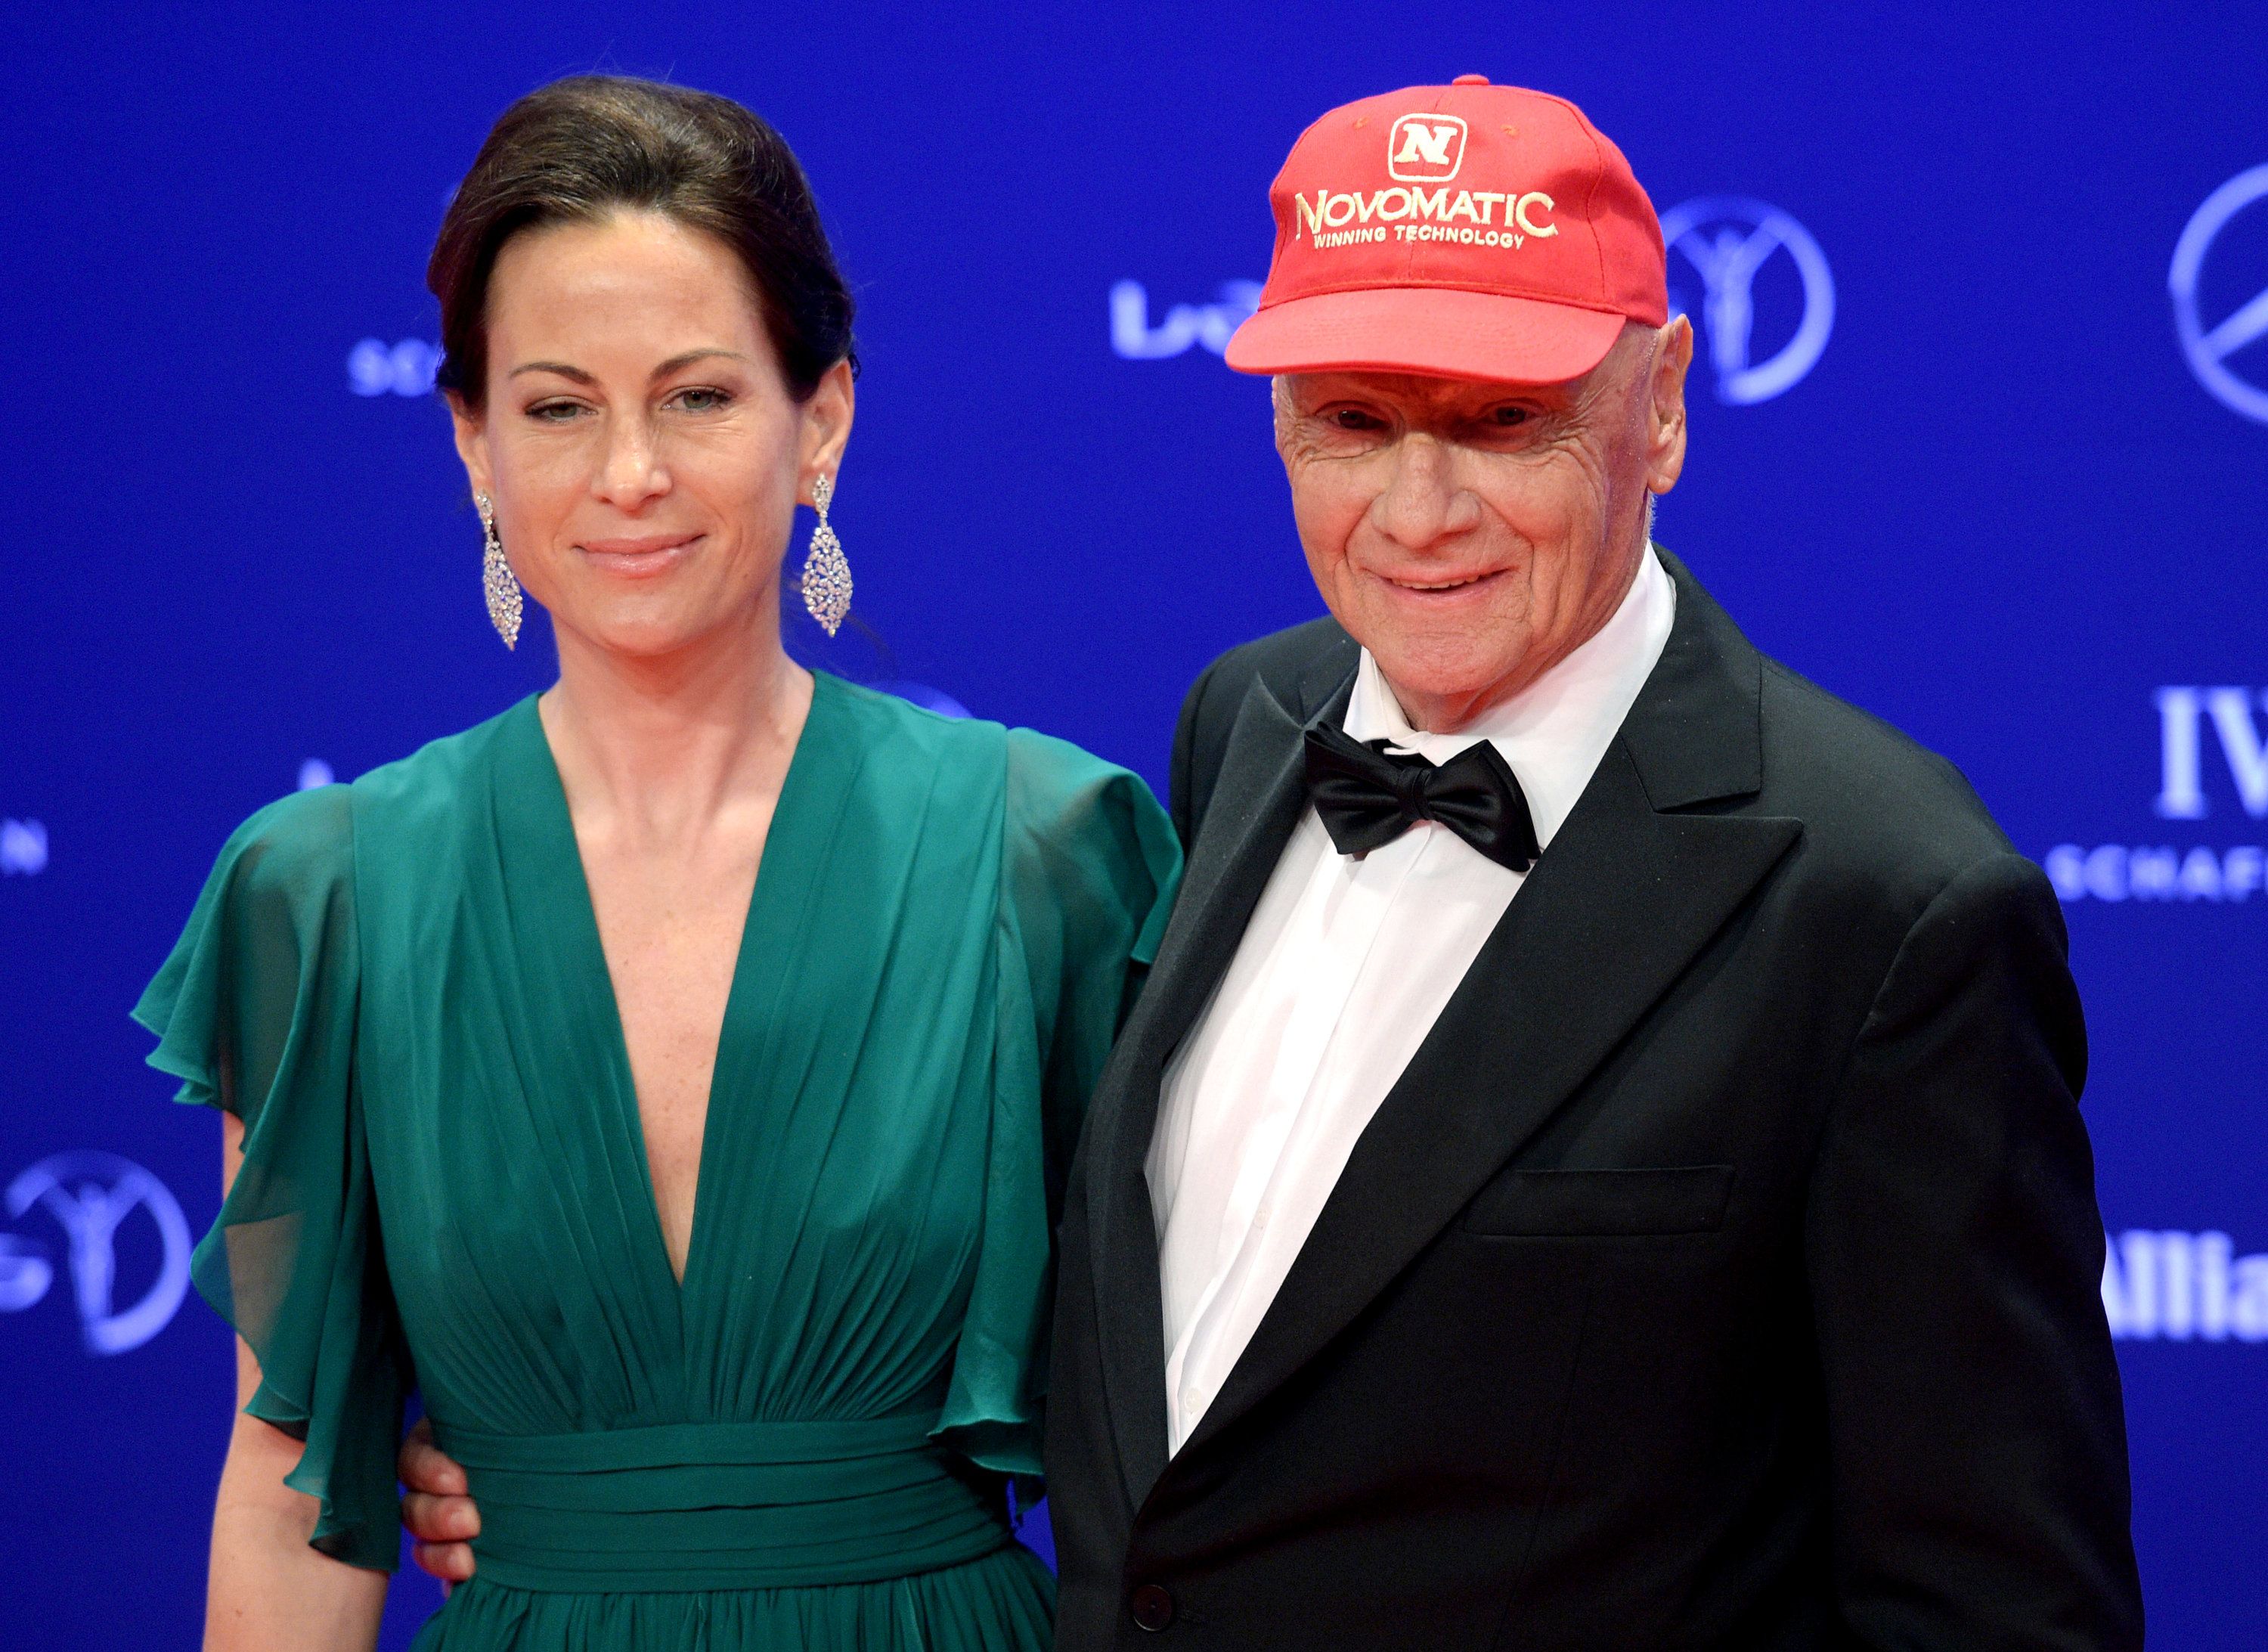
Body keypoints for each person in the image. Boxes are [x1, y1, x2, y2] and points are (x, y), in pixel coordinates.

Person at [1034, 79, 2145, 1647]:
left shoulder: (1892, 902)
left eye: (1504, 421)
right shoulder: (1249, 718)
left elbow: (1998, 1606)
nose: (1419, 513)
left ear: (1663, 405)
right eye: (1353, 422)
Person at [138, 74, 1177, 1652]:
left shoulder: (1048, 854)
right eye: (558, 408)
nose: (629, 473)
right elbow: (293, 1500)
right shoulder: (326, 895)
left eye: (697, 397)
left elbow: (1175, 1441)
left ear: (821, 418)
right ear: (473, 441)